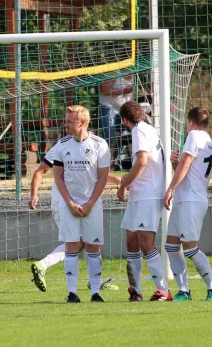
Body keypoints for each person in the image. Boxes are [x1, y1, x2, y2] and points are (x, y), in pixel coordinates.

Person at [28, 143, 120, 293]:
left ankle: (93, 280)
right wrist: (33, 195)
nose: (67, 125)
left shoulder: (92, 144)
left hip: (77, 202)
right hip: (64, 204)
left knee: (85, 241)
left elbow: (93, 172)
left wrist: (117, 180)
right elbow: (39, 172)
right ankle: (43, 265)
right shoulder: (61, 147)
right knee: (78, 243)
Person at [163, 107, 212, 301]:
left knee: (189, 247)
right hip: (185, 197)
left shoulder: (194, 135)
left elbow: (186, 164)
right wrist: (175, 164)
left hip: (191, 199)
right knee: (171, 246)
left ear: (190, 122)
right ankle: (184, 290)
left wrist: (170, 188)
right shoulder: (207, 140)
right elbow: (188, 169)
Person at [52, 105, 110, 303]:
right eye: (66, 119)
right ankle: (72, 293)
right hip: (69, 205)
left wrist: (90, 203)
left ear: (82, 123)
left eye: (70, 120)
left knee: (93, 247)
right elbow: (58, 177)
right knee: (71, 246)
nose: (65, 123)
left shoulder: (100, 144)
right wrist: (69, 203)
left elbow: (103, 177)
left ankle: (95, 292)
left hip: (92, 205)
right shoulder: (62, 145)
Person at [116, 100, 172, 302]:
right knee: (131, 240)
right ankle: (136, 291)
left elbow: (142, 161)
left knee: (146, 243)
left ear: (124, 120)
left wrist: (123, 184)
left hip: (148, 193)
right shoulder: (148, 129)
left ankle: (163, 290)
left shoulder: (139, 131)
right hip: (139, 194)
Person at [99, 75, 134, 169]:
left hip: (124, 110)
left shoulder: (135, 74)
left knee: (125, 136)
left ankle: (116, 162)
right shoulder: (115, 73)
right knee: (109, 136)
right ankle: (104, 164)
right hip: (109, 107)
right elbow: (103, 90)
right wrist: (122, 91)